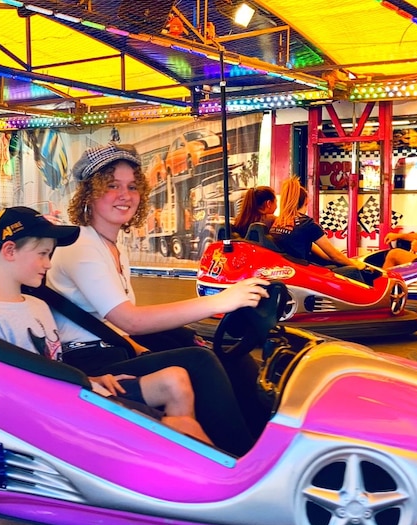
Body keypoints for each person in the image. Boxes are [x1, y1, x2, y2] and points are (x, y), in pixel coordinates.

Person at [47, 143, 271, 437]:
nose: (125, 195)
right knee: (199, 361)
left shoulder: (111, 245)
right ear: (90, 195)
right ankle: (241, 454)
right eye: (112, 186)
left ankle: (263, 434)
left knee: (222, 351)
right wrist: (220, 301)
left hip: (113, 347)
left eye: (131, 187)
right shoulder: (81, 245)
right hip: (89, 361)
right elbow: (130, 320)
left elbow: (123, 327)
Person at [0, 206, 212, 444]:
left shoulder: (38, 305)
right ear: (10, 250)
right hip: (60, 414)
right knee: (185, 426)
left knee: (175, 379)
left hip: (77, 392)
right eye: (42, 254)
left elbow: (54, 365)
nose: (48, 264)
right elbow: (11, 392)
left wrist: (92, 379)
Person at [269, 176, 367, 279]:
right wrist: (357, 264)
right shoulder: (307, 224)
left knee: (334, 265)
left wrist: (344, 260)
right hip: (304, 274)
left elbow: (323, 253)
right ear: (306, 201)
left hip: (289, 270)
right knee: (353, 271)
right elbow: (334, 255)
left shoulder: (278, 221)